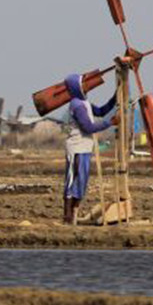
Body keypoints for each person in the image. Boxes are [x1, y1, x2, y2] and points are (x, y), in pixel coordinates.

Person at [62, 73, 118, 225]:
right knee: (72, 181)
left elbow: (100, 112)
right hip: (76, 148)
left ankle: (74, 213)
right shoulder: (77, 105)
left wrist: (115, 98)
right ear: (77, 87)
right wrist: (110, 123)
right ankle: (67, 216)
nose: (87, 86)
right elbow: (88, 127)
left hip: (85, 147)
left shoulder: (84, 102)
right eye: (83, 84)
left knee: (81, 182)